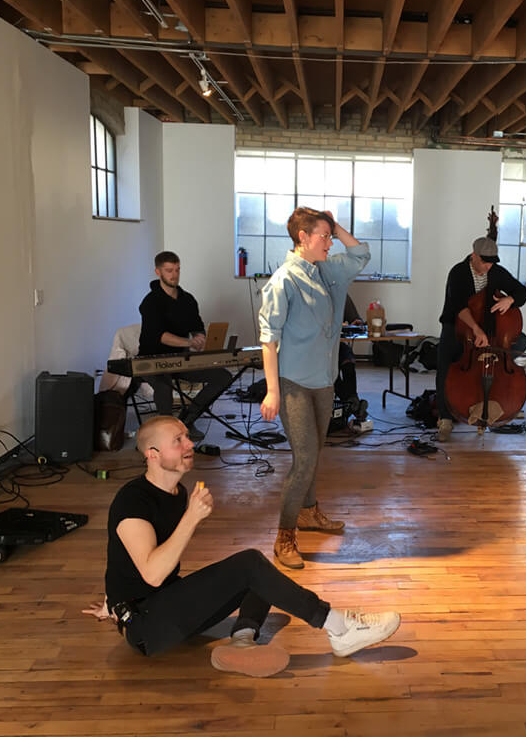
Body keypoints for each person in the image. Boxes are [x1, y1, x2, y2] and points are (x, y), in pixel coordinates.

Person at [82, 415, 401, 676]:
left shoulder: (177, 493)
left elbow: (125, 564)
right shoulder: (132, 500)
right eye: (177, 440)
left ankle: (242, 641)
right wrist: (191, 519)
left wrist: (113, 598)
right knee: (249, 564)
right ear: (152, 454)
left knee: (260, 573)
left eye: (187, 437)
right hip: (147, 627)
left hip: (164, 606)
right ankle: (338, 626)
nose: (190, 444)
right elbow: (152, 574)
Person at [258, 208, 370, 569]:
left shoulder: (327, 270)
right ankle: (284, 536)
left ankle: (308, 511)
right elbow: (268, 341)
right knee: (304, 459)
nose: (330, 242)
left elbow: (361, 253)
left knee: (313, 454)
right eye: (324, 236)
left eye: (330, 235)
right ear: (303, 238)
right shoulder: (283, 281)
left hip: (324, 381)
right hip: (293, 384)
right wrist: (272, 391)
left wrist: (335, 224)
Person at [435, 235, 526, 442]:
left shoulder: (496, 271)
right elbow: (459, 307)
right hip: (458, 326)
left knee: (521, 342)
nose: (488, 267)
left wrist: (510, 299)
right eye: (484, 262)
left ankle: (500, 400)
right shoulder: (458, 273)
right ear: (474, 256)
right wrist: (476, 330)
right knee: (445, 362)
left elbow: (522, 292)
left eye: (491, 262)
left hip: (491, 332)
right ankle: (445, 417)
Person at [138, 251, 232, 441]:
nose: (174, 275)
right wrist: (189, 342)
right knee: (163, 384)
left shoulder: (187, 299)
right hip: (150, 361)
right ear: (158, 272)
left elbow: (197, 326)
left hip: (181, 359)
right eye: (169, 270)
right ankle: (167, 431)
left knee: (223, 376)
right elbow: (160, 336)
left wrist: (200, 337)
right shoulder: (150, 302)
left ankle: (187, 420)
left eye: (177, 270)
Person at [335, 294, 368, 424]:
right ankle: (353, 405)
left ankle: (351, 403)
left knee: (348, 360)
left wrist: (357, 322)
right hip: (315, 348)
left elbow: (356, 319)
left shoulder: (342, 295)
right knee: (331, 370)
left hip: (336, 344)